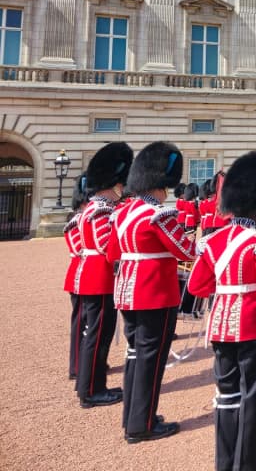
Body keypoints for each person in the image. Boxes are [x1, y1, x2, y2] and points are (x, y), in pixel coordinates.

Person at [188, 151, 256, 471]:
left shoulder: (212, 242)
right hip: (252, 326)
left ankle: (225, 463)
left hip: (219, 326)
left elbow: (197, 288)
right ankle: (249, 466)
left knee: (225, 397)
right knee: (251, 399)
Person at [107, 141, 196, 443]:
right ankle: (141, 425)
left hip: (128, 291)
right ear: (159, 184)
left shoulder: (123, 212)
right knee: (151, 359)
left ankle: (134, 415)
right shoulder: (157, 214)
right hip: (154, 292)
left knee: (135, 354)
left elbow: (113, 253)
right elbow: (186, 249)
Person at [76, 142, 134, 409]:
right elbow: (106, 245)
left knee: (97, 334)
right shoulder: (101, 210)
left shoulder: (95, 207)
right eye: (120, 185)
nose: (122, 190)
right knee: (98, 335)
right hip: (100, 278)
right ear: (112, 184)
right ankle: (91, 391)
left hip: (97, 276)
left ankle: (90, 385)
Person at [63, 174, 89, 382]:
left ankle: (84, 362)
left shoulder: (81, 217)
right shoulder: (78, 220)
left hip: (82, 272)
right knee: (81, 323)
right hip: (82, 274)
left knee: (85, 322)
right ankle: (77, 365)